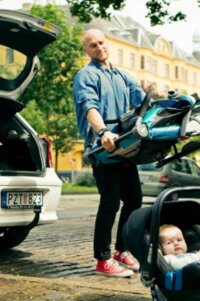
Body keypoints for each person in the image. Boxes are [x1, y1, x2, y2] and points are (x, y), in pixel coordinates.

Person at [72, 28, 146, 277]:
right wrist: (103, 131)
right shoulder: (86, 76)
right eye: (92, 45)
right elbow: (89, 107)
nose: (99, 47)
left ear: (108, 43)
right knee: (111, 201)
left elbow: (144, 103)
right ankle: (102, 259)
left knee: (134, 199)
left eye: (101, 42)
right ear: (87, 50)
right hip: (102, 148)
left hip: (125, 146)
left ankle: (122, 250)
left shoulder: (123, 77)